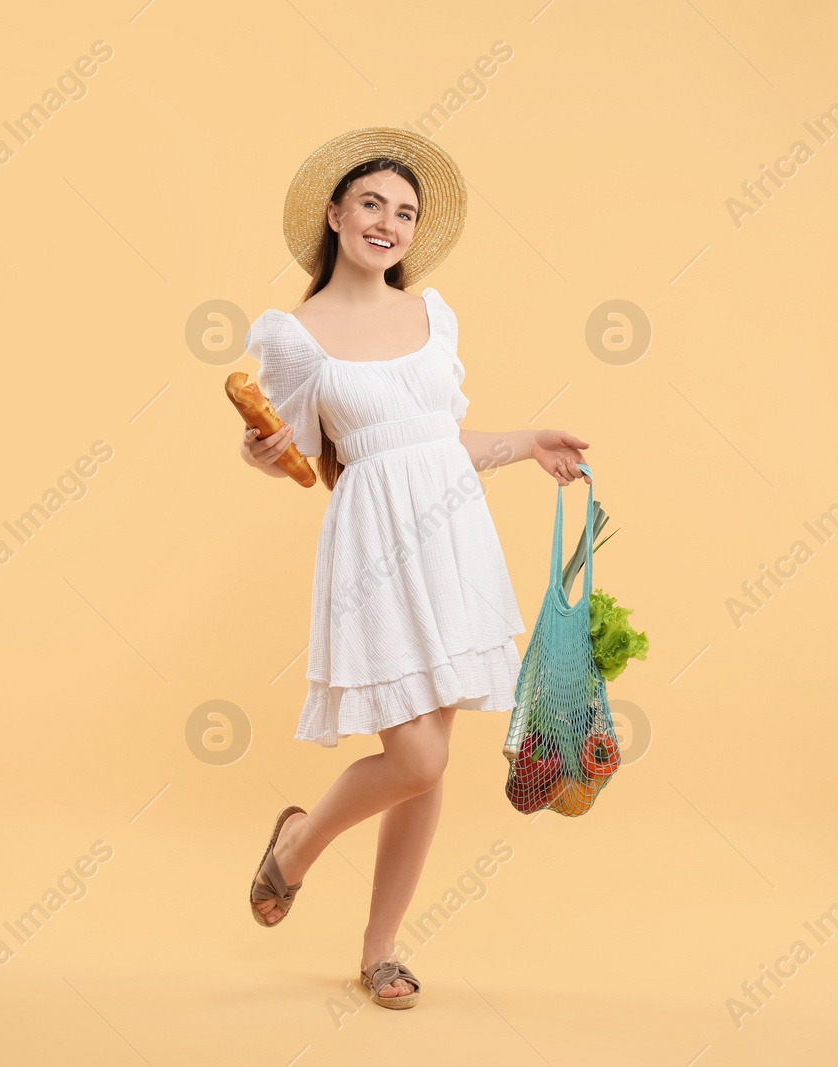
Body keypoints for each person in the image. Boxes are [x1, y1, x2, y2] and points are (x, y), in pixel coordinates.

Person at [239, 127, 590, 1010]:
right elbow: (294, 456)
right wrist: (257, 447)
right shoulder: (294, 336)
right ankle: (296, 847)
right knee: (418, 757)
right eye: (371, 204)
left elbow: (435, 444)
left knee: (433, 758)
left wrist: (527, 441)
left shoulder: (435, 316)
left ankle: (380, 948)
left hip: (453, 540)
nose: (387, 223)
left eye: (404, 212)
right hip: (372, 550)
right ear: (334, 212)